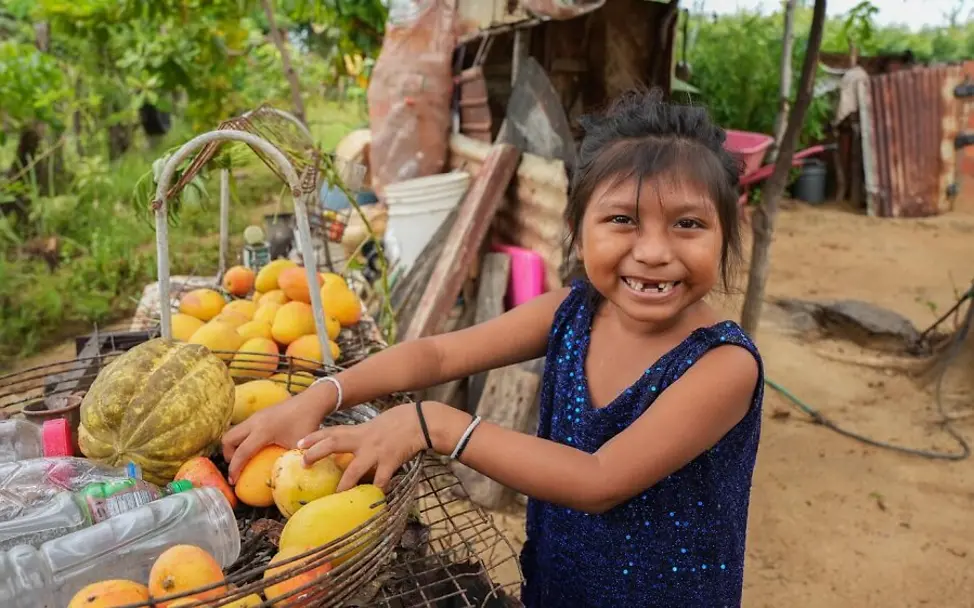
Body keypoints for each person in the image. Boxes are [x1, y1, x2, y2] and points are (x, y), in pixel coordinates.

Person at [223, 88, 764, 607]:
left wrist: (436, 423)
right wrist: (323, 393)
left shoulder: (722, 366)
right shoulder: (572, 311)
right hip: (557, 583)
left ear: (727, 236)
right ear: (577, 230)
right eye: (622, 219)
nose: (652, 251)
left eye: (688, 224)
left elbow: (600, 480)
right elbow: (436, 356)